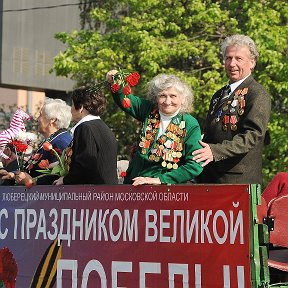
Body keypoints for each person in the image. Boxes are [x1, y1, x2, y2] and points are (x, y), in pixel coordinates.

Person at [192, 34, 271, 184]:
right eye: (228, 58)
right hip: (210, 177)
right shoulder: (219, 94)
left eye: (238, 58)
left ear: (252, 63)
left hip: (237, 180)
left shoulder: (257, 93)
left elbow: (252, 136)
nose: (232, 63)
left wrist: (215, 151)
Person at [106, 71, 203, 186]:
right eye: (162, 96)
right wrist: (115, 80)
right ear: (156, 98)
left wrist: (161, 179)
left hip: (167, 190)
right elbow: (126, 100)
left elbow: (195, 165)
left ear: (183, 99)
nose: (167, 101)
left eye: (173, 96)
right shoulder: (148, 109)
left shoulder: (190, 123)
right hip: (135, 184)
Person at [53, 85, 118, 185]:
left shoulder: (85, 128)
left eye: (72, 105)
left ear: (81, 107)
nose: (71, 109)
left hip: (92, 195)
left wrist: (66, 180)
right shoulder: (105, 128)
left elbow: (85, 163)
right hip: (108, 193)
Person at [0, 98, 72, 185]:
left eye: (40, 115)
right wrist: (13, 175)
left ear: (52, 120)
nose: (37, 119)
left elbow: (56, 179)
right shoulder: (52, 139)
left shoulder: (61, 141)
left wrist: (31, 181)